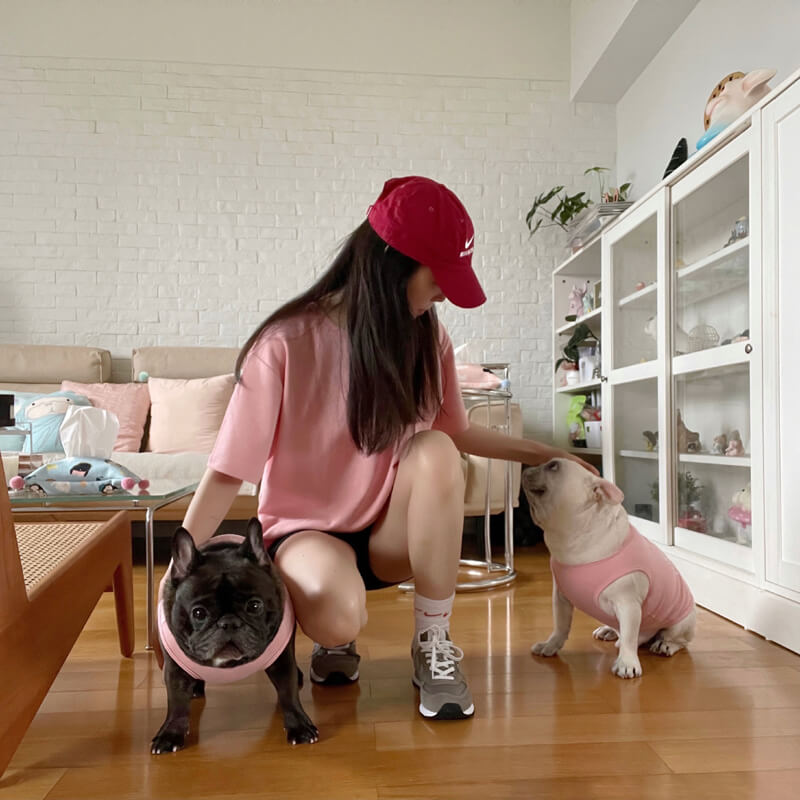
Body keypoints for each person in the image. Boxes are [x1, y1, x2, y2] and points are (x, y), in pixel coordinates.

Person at [180, 175, 597, 721]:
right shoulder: (284, 342)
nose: (445, 294)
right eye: (438, 278)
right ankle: (334, 640)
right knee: (339, 617)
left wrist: (549, 453)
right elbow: (227, 473)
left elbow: (458, 433)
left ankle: (433, 642)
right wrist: (174, 579)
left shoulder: (428, 338)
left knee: (437, 451)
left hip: (389, 532)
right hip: (306, 535)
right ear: (392, 263)